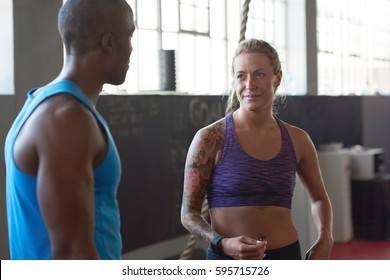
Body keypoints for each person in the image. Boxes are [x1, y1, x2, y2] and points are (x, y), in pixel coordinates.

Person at [4, 0, 135, 259]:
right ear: (108, 42)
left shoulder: (48, 105)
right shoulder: (67, 119)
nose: (132, 49)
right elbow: (71, 253)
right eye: (129, 35)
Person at [181, 38, 334, 260]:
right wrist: (221, 242)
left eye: (259, 74)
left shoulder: (298, 139)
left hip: (286, 256)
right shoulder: (210, 139)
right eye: (241, 76)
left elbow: (319, 198)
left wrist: (325, 238)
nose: (250, 84)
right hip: (228, 260)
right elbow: (189, 214)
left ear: (277, 77)